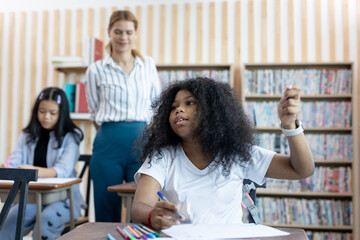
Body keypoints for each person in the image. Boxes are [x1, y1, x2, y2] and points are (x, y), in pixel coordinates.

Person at [131, 77, 314, 230]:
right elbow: (139, 206)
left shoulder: (239, 154)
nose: (179, 109)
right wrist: (152, 215)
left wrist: (291, 126)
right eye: (173, 107)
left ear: (213, 111)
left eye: (190, 103)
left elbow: (301, 169)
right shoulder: (162, 157)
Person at [84, 10, 161, 222]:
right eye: (118, 32)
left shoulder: (148, 66)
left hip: (142, 141)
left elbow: (157, 105)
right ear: (109, 32)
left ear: (135, 33)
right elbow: (94, 109)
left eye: (128, 32)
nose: (123, 37)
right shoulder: (95, 70)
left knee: (142, 204)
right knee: (106, 204)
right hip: (108, 142)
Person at [0, 87, 85, 239]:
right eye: (42, 111)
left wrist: (31, 170)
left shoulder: (72, 136)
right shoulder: (27, 135)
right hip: (31, 196)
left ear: (61, 114)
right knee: (9, 222)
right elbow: (15, 162)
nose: (46, 117)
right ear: (36, 111)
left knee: (46, 222)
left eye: (53, 113)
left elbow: (62, 170)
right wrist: (8, 169)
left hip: (63, 199)